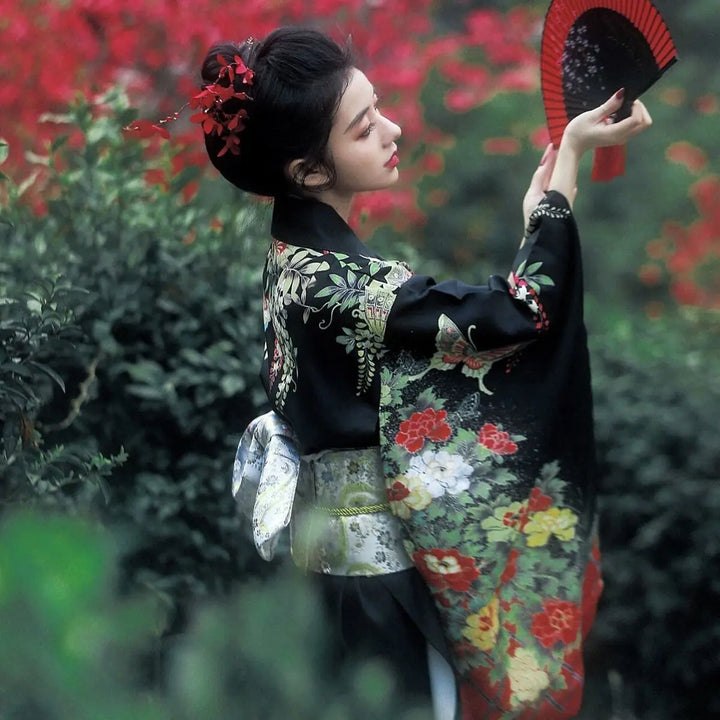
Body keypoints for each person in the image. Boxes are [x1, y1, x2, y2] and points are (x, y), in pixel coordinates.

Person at [213, 26, 652, 720]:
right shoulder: (340, 284)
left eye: (379, 106)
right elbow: (516, 315)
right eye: (363, 129)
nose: (391, 130)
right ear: (310, 172)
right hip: (375, 589)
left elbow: (461, 321)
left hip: (336, 577)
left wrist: (541, 214)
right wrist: (561, 181)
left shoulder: (297, 259)